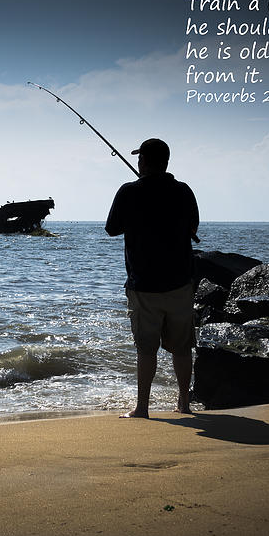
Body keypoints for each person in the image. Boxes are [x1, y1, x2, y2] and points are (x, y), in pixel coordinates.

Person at [105, 138, 199, 418]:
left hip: (143, 285)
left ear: (144, 161)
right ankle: (184, 403)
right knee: (182, 348)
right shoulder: (183, 191)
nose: (138, 162)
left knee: (147, 349)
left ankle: (142, 408)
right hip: (180, 282)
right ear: (166, 162)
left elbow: (111, 228)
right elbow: (193, 225)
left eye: (140, 159)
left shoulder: (129, 191)